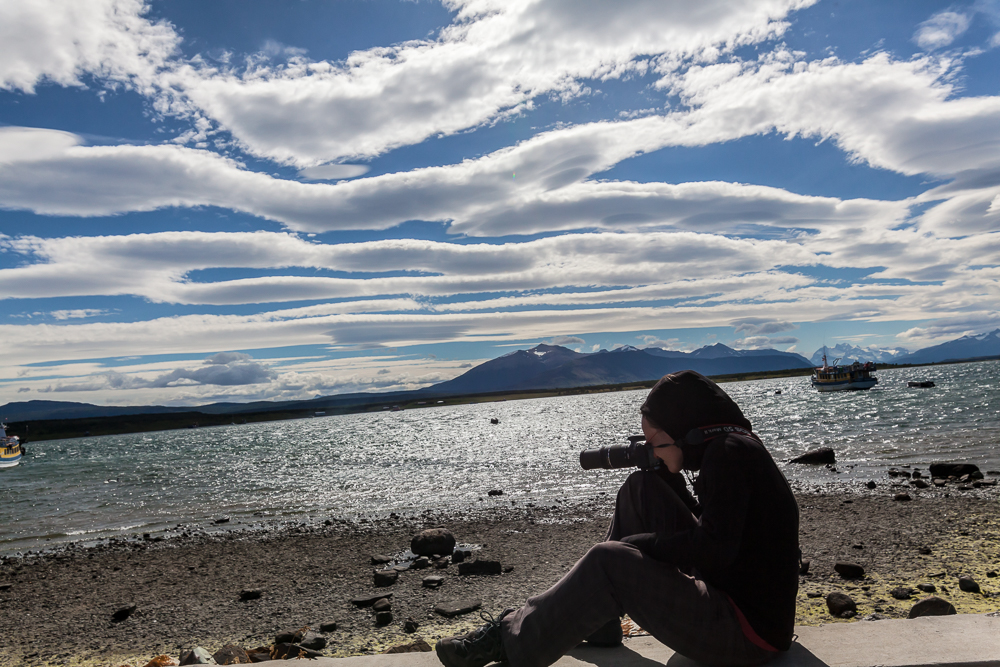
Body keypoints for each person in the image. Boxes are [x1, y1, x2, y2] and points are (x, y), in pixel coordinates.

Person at [435, 370, 800, 667]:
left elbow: (715, 549)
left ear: (686, 432)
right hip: (734, 596)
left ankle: (509, 641)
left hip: (745, 634)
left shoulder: (727, 457)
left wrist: (646, 545)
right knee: (641, 488)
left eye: (656, 442)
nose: (652, 449)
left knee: (608, 560)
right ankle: (601, 621)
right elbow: (722, 532)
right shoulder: (733, 445)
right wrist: (666, 476)